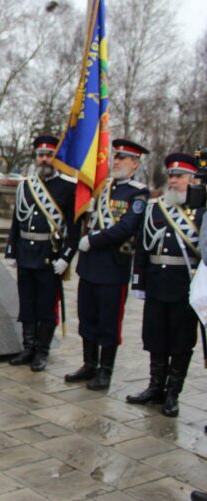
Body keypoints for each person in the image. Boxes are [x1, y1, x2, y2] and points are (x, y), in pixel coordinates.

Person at [65, 139, 150, 390]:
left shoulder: (138, 193)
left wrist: (92, 240)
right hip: (89, 266)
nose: (117, 161)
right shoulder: (100, 188)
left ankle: (105, 371)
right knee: (87, 318)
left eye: (123, 158)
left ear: (135, 164)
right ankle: (89, 364)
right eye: (116, 157)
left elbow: (126, 227)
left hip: (113, 267)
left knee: (109, 322)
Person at [128, 153, 203, 417]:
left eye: (179, 176)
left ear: (192, 179)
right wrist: (139, 280)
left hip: (185, 286)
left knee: (181, 342)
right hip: (157, 284)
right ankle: (155, 387)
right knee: (155, 337)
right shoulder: (155, 207)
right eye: (171, 176)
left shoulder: (201, 210)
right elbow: (142, 247)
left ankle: (173, 393)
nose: (173, 181)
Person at [5, 135, 79, 371]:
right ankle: (28, 347)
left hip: (50, 257)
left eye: (49, 155)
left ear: (56, 158)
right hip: (26, 254)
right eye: (41, 155)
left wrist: (66, 257)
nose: (44, 159)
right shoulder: (25, 186)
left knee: (46, 307)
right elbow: (17, 222)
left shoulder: (69, 188)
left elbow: (74, 229)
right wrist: (12, 250)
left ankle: (42, 351)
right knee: (27, 304)